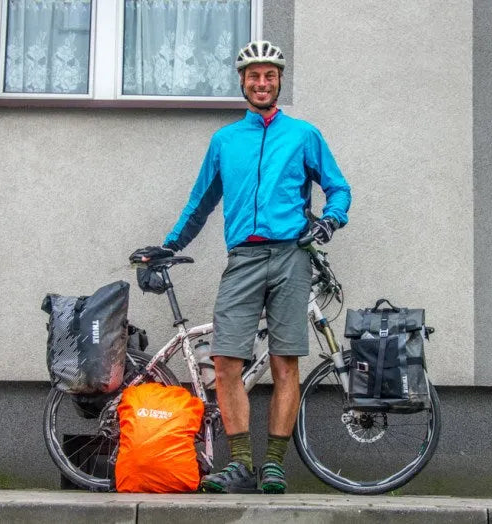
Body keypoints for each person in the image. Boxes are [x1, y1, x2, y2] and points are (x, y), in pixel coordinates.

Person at [151, 40, 350, 494]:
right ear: (242, 82)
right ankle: (240, 465)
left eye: (270, 75)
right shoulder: (225, 141)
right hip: (242, 258)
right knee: (225, 361)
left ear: (280, 81)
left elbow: (338, 189)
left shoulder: (303, 135)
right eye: (254, 76)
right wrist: (168, 246)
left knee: (285, 363)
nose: (262, 83)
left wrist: (330, 222)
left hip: (291, 257)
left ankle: (275, 466)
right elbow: (200, 203)